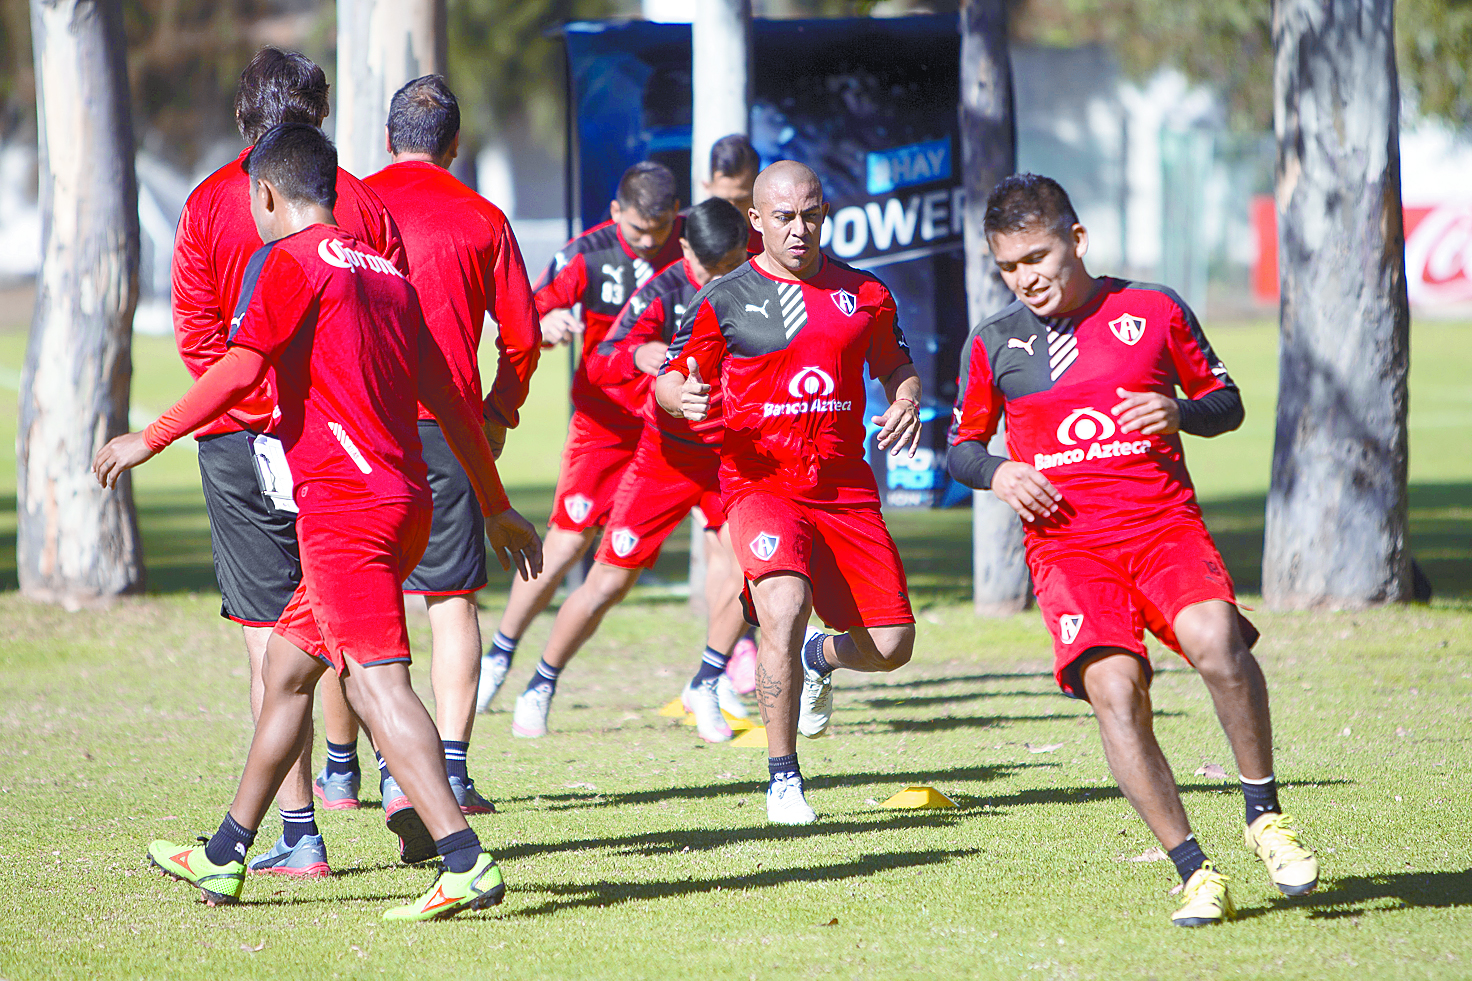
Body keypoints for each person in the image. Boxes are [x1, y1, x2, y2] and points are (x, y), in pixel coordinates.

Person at [94, 123, 542, 921]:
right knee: (287, 673)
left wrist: (148, 437)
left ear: (266, 195)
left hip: (346, 512)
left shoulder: (289, 262)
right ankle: (227, 852)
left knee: (375, 681)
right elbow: (452, 397)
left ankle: (464, 859)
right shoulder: (389, 274)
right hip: (404, 500)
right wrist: (496, 504)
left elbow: (240, 367)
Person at [947, 173, 1318, 927]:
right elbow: (961, 446)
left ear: (1077, 240)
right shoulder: (992, 342)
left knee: (1217, 643)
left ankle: (1265, 818)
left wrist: (1177, 411)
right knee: (1116, 693)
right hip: (1069, 553)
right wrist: (999, 472)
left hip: (1162, 528)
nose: (1025, 279)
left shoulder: (1152, 309)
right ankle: (1195, 872)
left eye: (1037, 257)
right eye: (1009, 267)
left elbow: (1227, 403)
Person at [170, 46, 409, 878]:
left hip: (241, 440)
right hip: (347, 441)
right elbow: (394, 322)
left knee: (271, 636)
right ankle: (393, 783)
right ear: (322, 116)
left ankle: (301, 830)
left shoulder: (208, 201)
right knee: (351, 615)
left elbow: (200, 336)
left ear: (243, 117)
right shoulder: (362, 206)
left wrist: (256, 412)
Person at [297, 75, 539, 817]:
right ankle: (452, 772)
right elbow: (523, 338)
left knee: (346, 600)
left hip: (358, 425)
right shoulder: (484, 217)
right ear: (456, 145)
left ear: (386, 137)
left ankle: (342, 770)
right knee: (450, 599)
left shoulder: (349, 204)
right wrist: (496, 412)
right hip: (447, 430)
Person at [658, 161, 921, 825]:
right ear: (756, 220)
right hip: (759, 481)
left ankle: (818, 657)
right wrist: (681, 396)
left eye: (810, 215)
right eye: (783, 217)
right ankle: (784, 781)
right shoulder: (724, 297)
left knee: (892, 646)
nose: (799, 229)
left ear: (824, 214)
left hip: (844, 487)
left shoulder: (866, 293)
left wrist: (906, 400)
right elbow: (669, 376)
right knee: (783, 603)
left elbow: (896, 364)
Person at [509, 197, 753, 741]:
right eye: (709, 269)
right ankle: (540, 683)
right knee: (609, 582)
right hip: (667, 456)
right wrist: (657, 357)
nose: (721, 279)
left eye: (733, 265)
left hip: (732, 459)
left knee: (752, 568)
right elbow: (611, 353)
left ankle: (707, 682)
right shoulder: (665, 289)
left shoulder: (762, 280)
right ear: (685, 249)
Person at [476, 162, 683, 710]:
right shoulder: (586, 254)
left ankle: (717, 673)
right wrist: (546, 328)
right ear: (615, 213)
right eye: (638, 230)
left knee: (640, 559)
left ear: (676, 215)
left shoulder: (694, 247)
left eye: (660, 229)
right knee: (569, 541)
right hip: (605, 420)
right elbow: (525, 316)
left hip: (676, 429)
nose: (650, 242)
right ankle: (500, 653)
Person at [702, 134, 762, 255]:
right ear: (707, 187)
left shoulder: (775, 239)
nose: (731, 211)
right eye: (722, 201)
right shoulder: (685, 235)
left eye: (741, 201)